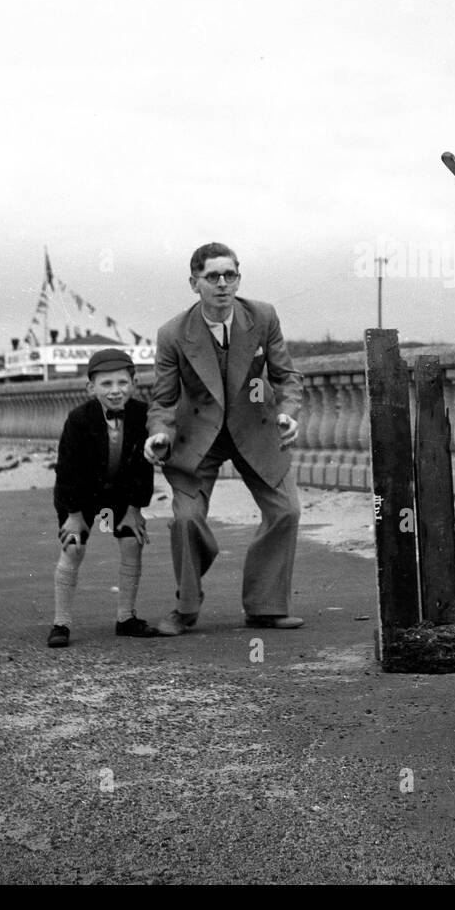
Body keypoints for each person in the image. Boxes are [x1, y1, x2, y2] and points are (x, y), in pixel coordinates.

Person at [144, 242, 305, 632]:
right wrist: (159, 435)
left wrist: (287, 412)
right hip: (200, 436)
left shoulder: (263, 316)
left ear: (238, 278)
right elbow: (163, 400)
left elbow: (287, 376)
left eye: (229, 275)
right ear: (193, 283)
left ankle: (265, 607)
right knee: (186, 520)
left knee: (286, 511)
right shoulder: (172, 334)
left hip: (256, 429)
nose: (222, 284)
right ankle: (185, 608)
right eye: (211, 276)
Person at [48, 348, 161, 647]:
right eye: (106, 384)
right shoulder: (78, 419)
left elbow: (144, 467)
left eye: (122, 383)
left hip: (122, 493)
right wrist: (73, 515)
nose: (115, 391)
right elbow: (67, 470)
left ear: (134, 384)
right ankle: (61, 622)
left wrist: (135, 508)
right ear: (91, 388)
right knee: (73, 548)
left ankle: (126, 617)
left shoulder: (142, 414)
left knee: (132, 541)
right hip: (80, 495)